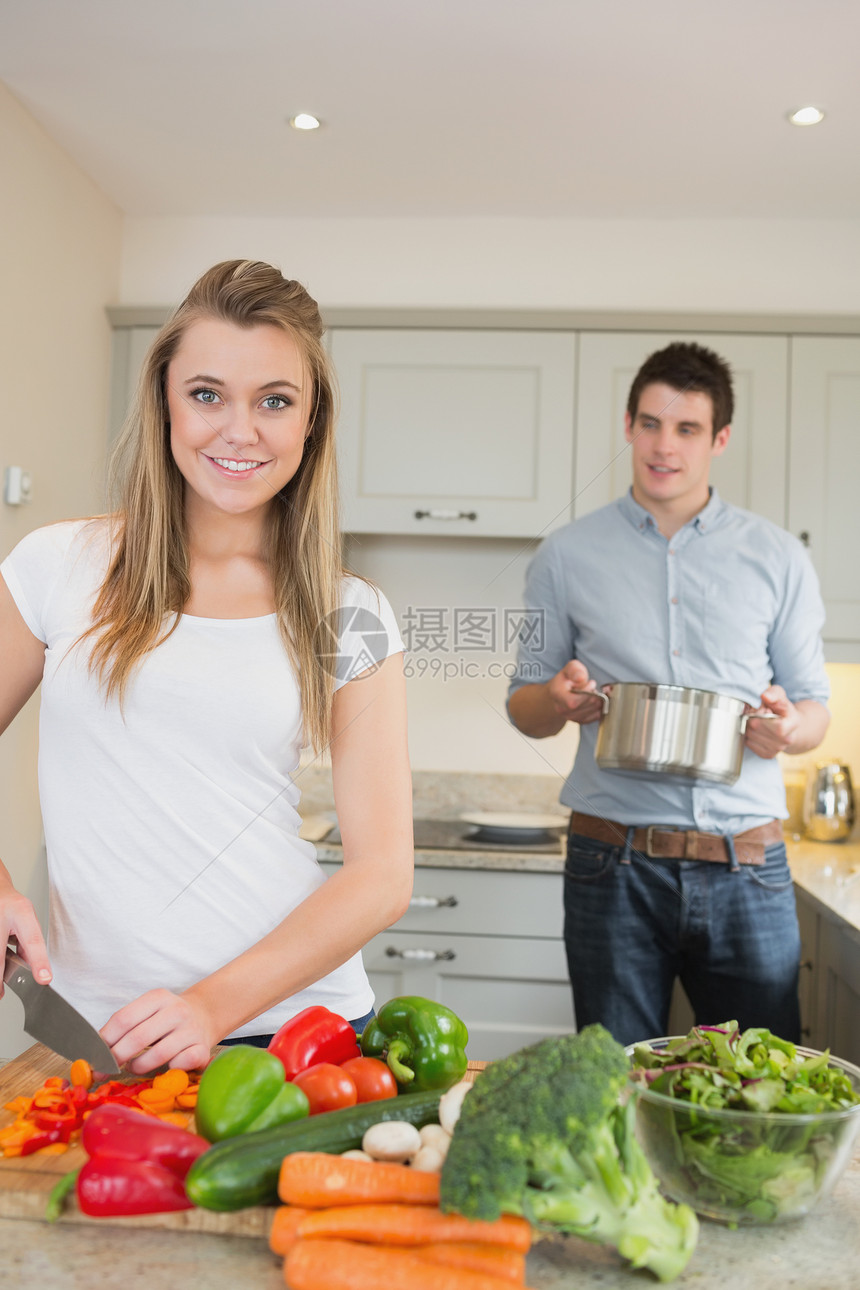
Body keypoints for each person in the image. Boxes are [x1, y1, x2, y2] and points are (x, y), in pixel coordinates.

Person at [0, 260, 413, 1074]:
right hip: (101, 1028)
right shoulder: (58, 566)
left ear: (309, 420)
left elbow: (382, 873)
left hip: (300, 1029)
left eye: (274, 401)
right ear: (164, 401)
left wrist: (212, 1006)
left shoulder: (350, 610)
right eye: (206, 393)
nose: (239, 429)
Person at [507, 341, 830, 1047]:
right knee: (616, 1084)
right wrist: (559, 700)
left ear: (719, 439)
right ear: (628, 425)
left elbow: (813, 708)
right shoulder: (567, 555)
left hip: (747, 864)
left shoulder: (778, 557)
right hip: (610, 861)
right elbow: (522, 707)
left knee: (758, 1084)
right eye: (651, 423)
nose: (664, 446)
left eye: (686, 429)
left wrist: (787, 727)